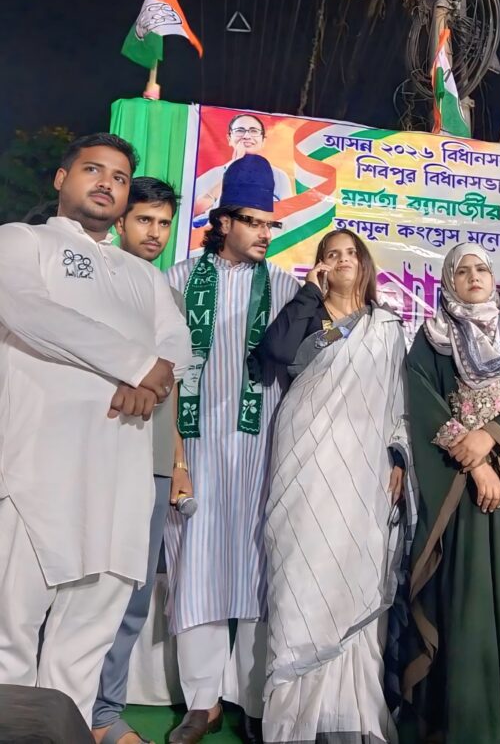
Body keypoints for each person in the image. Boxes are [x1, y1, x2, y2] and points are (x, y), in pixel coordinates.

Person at [0, 134, 191, 724]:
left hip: (120, 478)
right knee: (9, 639)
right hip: (35, 471)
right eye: (93, 170)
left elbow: (177, 345)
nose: (108, 182)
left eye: (120, 177)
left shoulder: (145, 277)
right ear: (62, 179)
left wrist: (152, 383)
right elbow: (27, 311)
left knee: (84, 649)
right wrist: (138, 366)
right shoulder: (22, 241)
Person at [164, 154, 300, 744]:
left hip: (263, 453)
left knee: (259, 571)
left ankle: (254, 700)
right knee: (196, 565)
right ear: (223, 222)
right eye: (254, 222)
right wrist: (173, 460)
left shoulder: (288, 288)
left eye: (271, 224)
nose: (266, 234)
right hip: (194, 452)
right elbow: (162, 371)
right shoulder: (177, 280)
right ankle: (202, 703)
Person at [402, 243, 500, 743]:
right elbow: (423, 405)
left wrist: (490, 440)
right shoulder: (430, 340)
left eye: (481, 270)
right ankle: (466, 723)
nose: (473, 277)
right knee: (464, 597)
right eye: (462, 271)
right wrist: (475, 467)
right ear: (448, 282)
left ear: (493, 279)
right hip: (460, 496)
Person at [257, 228, 410, 744]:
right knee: (299, 568)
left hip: (363, 466)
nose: (342, 261)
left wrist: (399, 457)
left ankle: (352, 713)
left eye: (350, 254)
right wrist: (309, 290)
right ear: (321, 264)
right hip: (305, 456)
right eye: (331, 255)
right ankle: (293, 717)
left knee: (355, 568)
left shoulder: (386, 327)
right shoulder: (308, 314)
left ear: (364, 264)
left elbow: (400, 399)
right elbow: (277, 352)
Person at [91, 177, 189, 744]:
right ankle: (55, 703)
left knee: (132, 596)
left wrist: (177, 463)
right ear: (121, 221)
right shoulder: (94, 279)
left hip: (151, 463)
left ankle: (103, 713)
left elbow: (172, 389)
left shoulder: (168, 296)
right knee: (81, 585)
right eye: (145, 220)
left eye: (164, 223)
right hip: (97, 450)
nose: (155, 233)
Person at [192, 114, 293, 230]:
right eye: (240, 130)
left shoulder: (279, 177)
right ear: (229, 139)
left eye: (253, 131)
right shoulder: (212, 176)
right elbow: (193, 211)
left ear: (263, 140)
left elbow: (287, 219)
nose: (246, 136)